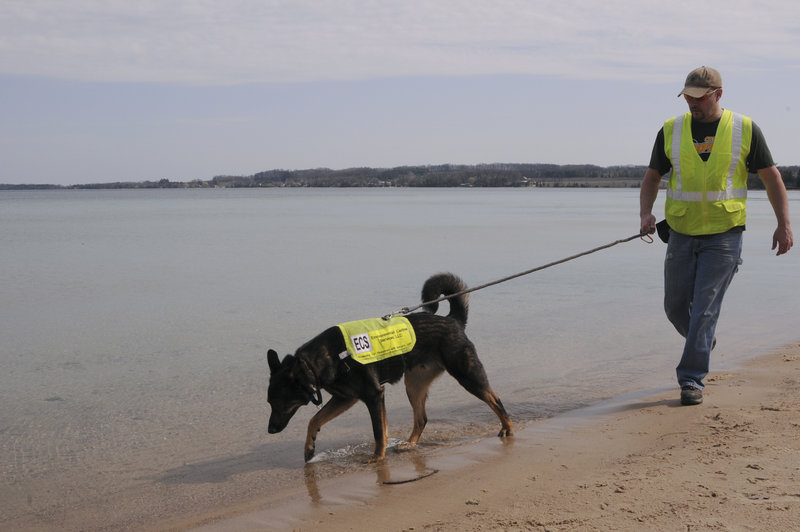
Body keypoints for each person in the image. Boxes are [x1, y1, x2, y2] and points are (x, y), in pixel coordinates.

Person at [639, 66, 793, 406]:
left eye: (699, 97)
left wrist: (784, 223)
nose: (692, 103)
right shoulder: (670, 130)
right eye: (688, 97)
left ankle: (691, 380)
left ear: (717, 94)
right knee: (675, 307)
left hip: (724, 236)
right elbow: (652, 176)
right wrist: (646, 213)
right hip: (680, 231)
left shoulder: (745, 129)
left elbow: (772, 178)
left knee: (704, 309)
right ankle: (702, 340)